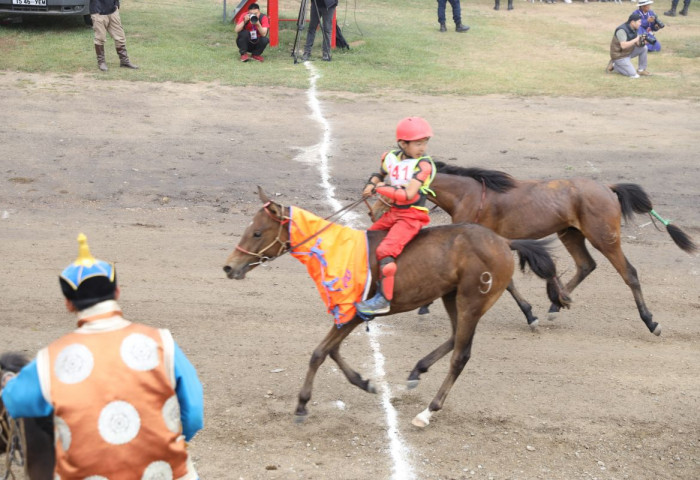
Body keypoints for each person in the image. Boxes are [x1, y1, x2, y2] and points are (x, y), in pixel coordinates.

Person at [0, 234, 204, 480]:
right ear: (117, 291)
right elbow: (193, 414)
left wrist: (10, 382)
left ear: (68, 304)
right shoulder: (163, 342)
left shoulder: (49, 360)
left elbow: (14, 402)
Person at [356, 117, 437, 316]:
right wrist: (370, 184)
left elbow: (408, 195)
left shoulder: (424, 165)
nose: (423, 147)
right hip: (394, 213)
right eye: (418, 143)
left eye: (425, 142)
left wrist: (381, 188)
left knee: (385, 250)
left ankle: (384, 299)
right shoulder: (390, 157)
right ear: (403, 143)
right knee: (366, 241)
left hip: (412, 217)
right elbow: (379, 173)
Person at [90, 0, 138, 72]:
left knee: (120, 36)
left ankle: (124, 61)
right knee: (100, 38)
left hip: (113, 10)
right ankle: (101, 62)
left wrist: (116, 4)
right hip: (98, 11)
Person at [607, 13, 651, 78]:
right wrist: (636, 39)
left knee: (644, 48)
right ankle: (615, 65)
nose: (640, 23)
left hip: (627, 52)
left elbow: (637, 44)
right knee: (634, 75)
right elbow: (623, 46)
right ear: (633, 22)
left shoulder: (634, 28)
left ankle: (641, 70)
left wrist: (643, 42)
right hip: (619, 56)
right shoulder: (621, 30)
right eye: (639, 22)